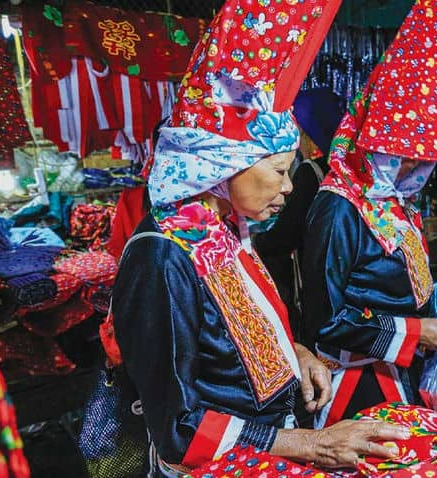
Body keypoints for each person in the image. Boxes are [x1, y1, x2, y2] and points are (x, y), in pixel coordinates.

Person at [111, 1, 411, 475]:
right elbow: (178, 428)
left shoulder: (226, 232)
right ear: (222, 165)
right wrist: (311, 444)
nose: (289, 186)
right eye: (276, 170)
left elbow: (236, 340)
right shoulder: (162, 256)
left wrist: (297, 353)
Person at [302, 0, 437, 427]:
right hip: (357, 388)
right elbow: (325, 321)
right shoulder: (338, 207)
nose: (414, 171)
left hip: (404, 372)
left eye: (426, 161)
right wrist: (416, 333)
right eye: (403, 156)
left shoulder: (394, 205)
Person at [255, 88, 343, 346]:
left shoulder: (311, 171)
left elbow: (287, 234)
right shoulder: (345, 171)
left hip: (314, 279)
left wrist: (259, 243)